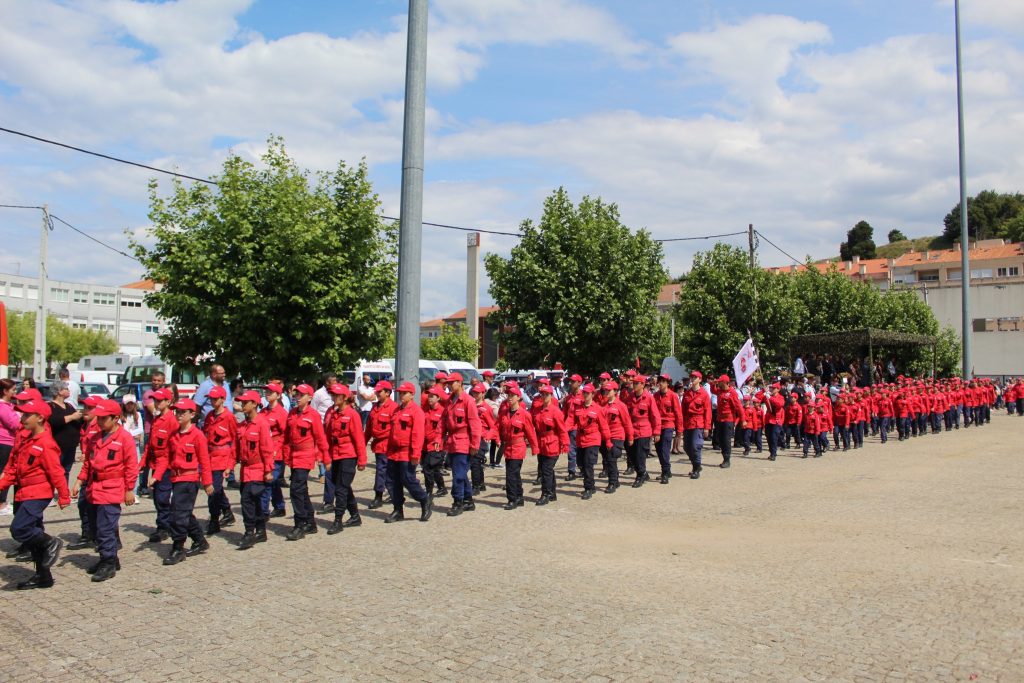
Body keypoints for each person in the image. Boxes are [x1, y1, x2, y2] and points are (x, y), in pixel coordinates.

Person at [0, 400, 69, 589]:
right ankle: (43, 576)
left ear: (40, 418)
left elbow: (56, 472)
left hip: (37, 494)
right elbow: (14, 469)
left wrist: (64, 495)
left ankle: (52, 542)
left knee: (19, 529)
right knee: (34, 537)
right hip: (24, 492)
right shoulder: (27, 439)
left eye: (26, 415)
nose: (22, 418)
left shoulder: (46, 443)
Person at [71, 399, 138, 582]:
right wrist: (78, 481)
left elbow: (131, 466)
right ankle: (108, 558)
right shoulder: (95, 438)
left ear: (115, 418)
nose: (99, 421)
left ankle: (108, 562)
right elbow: (88, 464)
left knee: (105, 528)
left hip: (111, 489)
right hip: (94, 488)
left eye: (103, 418)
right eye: (98, 418)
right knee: (95, 527)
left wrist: (129, 489)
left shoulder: (124, 438)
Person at [152, 398, 213, 565]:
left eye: (182, 412)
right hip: (176, 477)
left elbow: (204, 460)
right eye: (176, 412)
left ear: (192, 414)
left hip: (189, 478)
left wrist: (207, 482)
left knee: (178, 514)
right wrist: (156, 475)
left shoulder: (197, 436)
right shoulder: (174, 435)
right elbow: (165, 457)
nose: (178, 415)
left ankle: (178, 547)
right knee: (182, 511)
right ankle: (199, 540)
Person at [283, 384, 328, 541]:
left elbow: (321, 438)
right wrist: (286, 455)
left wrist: (325, 458)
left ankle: (299, 524)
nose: (297, 397)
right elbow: (287, 437)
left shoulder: (313, 415)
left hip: (306, 455)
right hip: (294, 456)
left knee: (295, 489)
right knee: (301, 490)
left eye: (301, 395)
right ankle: (310, 522)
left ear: (309, 398)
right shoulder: (292, 413)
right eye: (296, 395)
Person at [384, 382, 432, 523]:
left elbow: (418, 434)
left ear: (412, 394)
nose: (401, 395)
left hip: (407, 452)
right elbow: (392, 432)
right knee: (392, 482)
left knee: (408, 480)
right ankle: (398, 510)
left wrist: (416, 454)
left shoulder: (416, 412)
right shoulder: (396, 411)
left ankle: (424, 500)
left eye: (404, 393)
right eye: (400, 393)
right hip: (394, 452)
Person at [323, 383, 366, 533]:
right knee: (341, 485)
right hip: (336, 454)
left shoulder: (352, 415)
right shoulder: (333, 414)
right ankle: (355, 515)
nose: (333, 398)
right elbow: (328, 437)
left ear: (344, 397)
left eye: (336, 395)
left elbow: (359, 439)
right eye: (332, 395)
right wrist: (326, 455)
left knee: (340, 488)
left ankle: (338, 520)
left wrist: (362, 460)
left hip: (348, 455)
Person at [235, 390, 275, 550]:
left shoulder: (262, 424)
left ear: (254, 404)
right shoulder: (244, 425)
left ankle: (249, 532)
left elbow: (267, 448)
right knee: (255, 501)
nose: (243, 405)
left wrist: (268, 470)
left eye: (246, 403)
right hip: (245, 469)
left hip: (258, 469)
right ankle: (261, 530)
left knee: (247, 501)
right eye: (242, 403)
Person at [443, 373, 482, 516]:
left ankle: (457, 502)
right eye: (448, 383)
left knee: (458, 475)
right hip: (452, 441)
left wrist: (474, 444)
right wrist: (438, 439)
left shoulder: (468, 400)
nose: (448, 385)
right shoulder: (449, 400)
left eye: (451, 382)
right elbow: (443, 422)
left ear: (459, 383)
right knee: (460, 473)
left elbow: (475, 424)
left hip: (463, 441)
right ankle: (468, 500)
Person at [201, 385, 237, 534]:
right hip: (209, 456)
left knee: (213, 489)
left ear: (222, 399)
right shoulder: (209, 416)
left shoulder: (229, 417)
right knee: (216, 488)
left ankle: (214, 519)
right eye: (210, 398)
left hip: (222, 457)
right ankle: (227, 511)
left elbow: (235, 441)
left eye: (215, 398)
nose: (212, 401)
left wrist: (230, 464)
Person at [143, 388, 177, 543]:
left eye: (160, 400)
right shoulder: (156, 419)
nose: (156, 403)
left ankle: (164, 527)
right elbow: (150, 445)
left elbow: (172, 449)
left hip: (166, 466)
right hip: (155, 463)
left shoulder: (171, 421)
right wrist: (142, 463)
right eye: (155, 400)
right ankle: (165, 523)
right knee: (157, 497)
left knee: (162, 497)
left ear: (168, 402)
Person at [497, 386, 538, 509]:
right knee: (515, 474)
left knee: (511, 474)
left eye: (512, 396)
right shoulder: (504, 413)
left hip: (518, 447)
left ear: (518, 397)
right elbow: (498, 427)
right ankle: (519, 497)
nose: (509, 398)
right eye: (508, 395)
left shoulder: (524, 414)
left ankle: (512, 499)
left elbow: (530, 432)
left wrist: (535, 447)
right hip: (508, 446)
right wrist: (497, 438)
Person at [573, 383, 610, 500]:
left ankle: (588, 488)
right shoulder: (578, 407)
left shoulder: (598, 409)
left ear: (592, 394)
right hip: (580, 439)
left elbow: (604, 426)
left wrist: (608, 440)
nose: (585, 395)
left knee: (588, 464)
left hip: (593, 439)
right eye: (584, 392)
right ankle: (591, 485)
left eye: (587, 393)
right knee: (580, 463)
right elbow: (571, 420)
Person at [533, 385, 568, 505]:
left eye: (546, 394)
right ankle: (552, 493)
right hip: (541, 442)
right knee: (547, 469)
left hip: (552, 442)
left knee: (546, 470)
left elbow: (562, 429)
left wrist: (565, 443)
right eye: (542, 394)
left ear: (551, 396)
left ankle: (545, 494)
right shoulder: (538, 410)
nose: (544, 397)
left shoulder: (555, 411)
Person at [259, 382, 289, 519]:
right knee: (274, 482)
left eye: (271, 392)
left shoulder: (281, 413)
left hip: (276, 452)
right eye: (267, 391)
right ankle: (279, 506)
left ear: (278, 395)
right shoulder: (263, 412)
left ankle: (263, 511)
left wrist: (278, 450)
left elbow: (285, 434)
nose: (268, 394)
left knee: (268, 481)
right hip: (265, 450)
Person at [365, 380, 396, 510]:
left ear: (388, 393)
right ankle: (386, 494)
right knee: (382, 470)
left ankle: (384, 495)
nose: (377, 394)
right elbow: (369, 427)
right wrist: (363, 443)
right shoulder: (375, 407)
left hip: (388, 444)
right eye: (377, 391)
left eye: (380, 391)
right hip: (378, 444)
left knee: (384, 470)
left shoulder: (393, 408)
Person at [627, 375, 661, 487]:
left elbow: (655, 416)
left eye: (636, 383)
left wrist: (657, 432)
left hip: (644, 431)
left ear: (642, 385)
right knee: (631, 455)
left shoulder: (649, 398)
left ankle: (640, 476)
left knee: (640, 455)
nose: (634, 385)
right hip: (632, 431)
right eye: (633, 383)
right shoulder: (630, 397)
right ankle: (644, 473)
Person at [46, 380, 83, 481]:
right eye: (66, 389)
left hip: (71, 445)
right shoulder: (50, 406)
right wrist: (71, 417)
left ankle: (63, 494)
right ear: (59, 391)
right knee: (55, 471)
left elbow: (78, 420)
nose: (68, 391)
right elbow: (53, 421)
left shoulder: (69, 405)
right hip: (58, 445)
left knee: (66, 471)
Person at [601, 381, 632, 494]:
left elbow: (627, 422)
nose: (606, 392)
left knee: (611, 458)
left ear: (615, 392)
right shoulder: (604, 406)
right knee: (607, 460)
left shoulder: (621, 406)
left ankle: (612, 482)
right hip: (606, 436)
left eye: (609, 390)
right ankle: (615, 479)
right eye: (605, 390)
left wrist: (630, 437)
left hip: (617, 435)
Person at [680, 372, 711, 479]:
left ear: (700, 379)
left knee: (695, 446)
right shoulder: (687, 393)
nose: (692, 379)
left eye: (695, 377)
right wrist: (681, 424)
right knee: (686, 447)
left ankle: (696, 468)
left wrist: (707, 427)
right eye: (691, 377)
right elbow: (683, 410)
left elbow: (708, 412)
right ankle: (696, 465)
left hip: (698, 422)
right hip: (688, 422)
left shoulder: (704, 394)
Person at [654, 374, 682, 482]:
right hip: (657, 426)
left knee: (665, 449)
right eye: (659, 381)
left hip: (668, 425)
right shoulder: (655, 396)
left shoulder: (673, 396)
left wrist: (679, 430)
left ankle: (665, 473)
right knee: (658, 449)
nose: (660, 383)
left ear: (667, 383)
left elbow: (678, 414)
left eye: (663, 381)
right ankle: (667, 470)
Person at [421, 387, 448, 498]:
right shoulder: (425, 410)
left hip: (436, 445)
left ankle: (428, 492)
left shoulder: (442, 411)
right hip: (425, 444)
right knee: (435, 468)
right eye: (429, 396)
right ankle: (442, 488)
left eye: (432, 396)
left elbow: (443, 429)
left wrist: (440, 441)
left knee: (428, 468)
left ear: (438, 398)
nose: (429, 398)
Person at [712, 375, 743, 469]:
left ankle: (727, 459)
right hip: (719, 419)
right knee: (721, 440)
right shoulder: (719, 391)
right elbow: (713, 390)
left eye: (719, 382)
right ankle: (724, 456)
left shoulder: (732, 393)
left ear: (725, 382)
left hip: (728, 420)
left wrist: (743, 419)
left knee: (726, 440)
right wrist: (712, 384)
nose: (718, 383)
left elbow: (738, 407)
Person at [471, 384, 497, 494]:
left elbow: (493, 426)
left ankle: (476, 486)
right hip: (472, 437)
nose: (475, 394)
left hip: (481, 439)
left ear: (483, 394)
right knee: (477, 463)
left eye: (478, 392)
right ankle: (481, 484)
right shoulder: (471, 405)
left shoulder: (486, 408)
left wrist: (488, 436)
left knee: (475, 462)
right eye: (474, 392)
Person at [0, 378, 20, 517]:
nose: (15, 392)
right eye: (13, 390)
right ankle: (1, 503)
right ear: (5, 391)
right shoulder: (2, 407)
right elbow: (15, 424)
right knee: (4, 472)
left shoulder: (9, 405)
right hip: (5, 443)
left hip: (9, 442)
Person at [561, 374, 583, 481]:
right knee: (571, 450)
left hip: (580, 427)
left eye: (573, 381)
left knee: (580, 450)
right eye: (570, 381)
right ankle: (572, 471)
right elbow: (564, 413)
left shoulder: (584, 396)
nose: (571, 383)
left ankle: (582, 468)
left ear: (579, 383)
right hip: (570, 427)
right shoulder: (568, 397)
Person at [121, 396, 145, 492]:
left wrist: (129, 434)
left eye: (131, 403)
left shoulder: (138, 415)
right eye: (127, 404)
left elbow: (140, 429)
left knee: (135, 467)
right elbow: (121, 430)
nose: (129, 406)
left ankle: (134, 490)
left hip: (135, 445)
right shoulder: (121, 416)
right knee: (124, 467)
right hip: (123, 444)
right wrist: (131, 434)